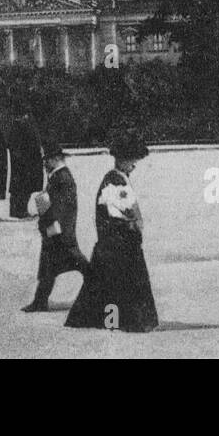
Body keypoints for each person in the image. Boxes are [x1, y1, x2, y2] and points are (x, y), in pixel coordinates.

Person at [65, 133, 158, 332]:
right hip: (118, 246)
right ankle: (115, 322)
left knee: (106, 288)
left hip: (112, 245)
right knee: (116, 288)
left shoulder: (115, 179)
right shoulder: (115, 181)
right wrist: (134, 228)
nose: (134, 165)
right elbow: (124, 215)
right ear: (123, 160)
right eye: (132, 161)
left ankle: (112, 322)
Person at [21, 142, 88, 312]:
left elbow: (61, 208)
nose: (44, 164)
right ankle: (40, 301)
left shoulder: (63, 178)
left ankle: (103, 293)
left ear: (56, 159)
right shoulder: (58, 176)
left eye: (47, 160)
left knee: (77, 265)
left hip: (59, 233)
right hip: (57, 232)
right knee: (49, 268)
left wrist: (51, 230)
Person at [7, 112, 44, 220]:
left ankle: (21, 210)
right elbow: (15, 146)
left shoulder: (25, 126)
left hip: (27, 162)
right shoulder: (19, 127)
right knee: (20, 189)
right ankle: (18, 211)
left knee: (24, 188)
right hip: (22, 164)